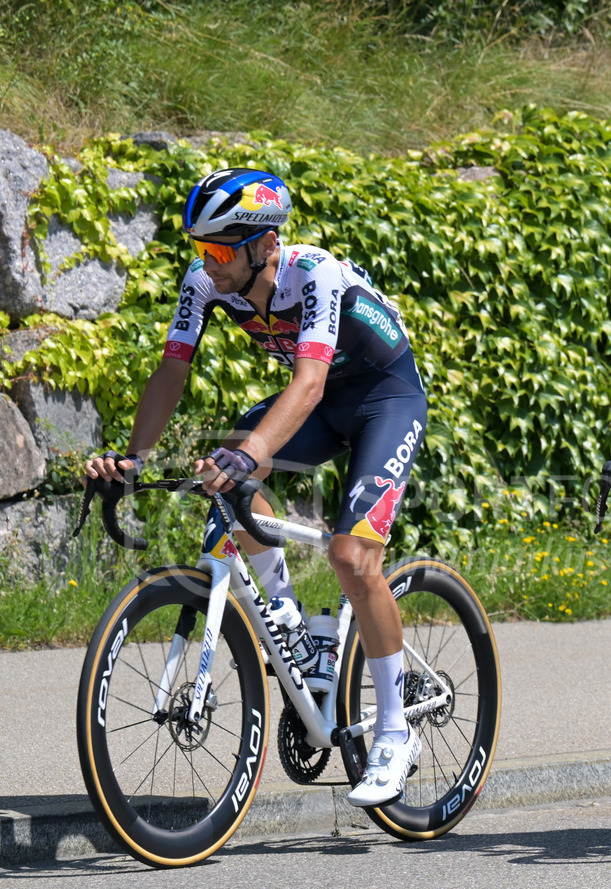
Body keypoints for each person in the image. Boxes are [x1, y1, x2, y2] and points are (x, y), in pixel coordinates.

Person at [85, 167, 428, 808]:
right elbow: (171, 371)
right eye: (201, 249)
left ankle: (393, 729)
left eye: (218, 250)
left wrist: (252, 453)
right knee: (228, 489)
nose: (206, 264)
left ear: (264, 245)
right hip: (321, 402)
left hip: (384, 398)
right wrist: (133, 456)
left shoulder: (317, 274)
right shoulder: (204, 284)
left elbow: (308, 384)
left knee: (352, 555)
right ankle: (292, 625)